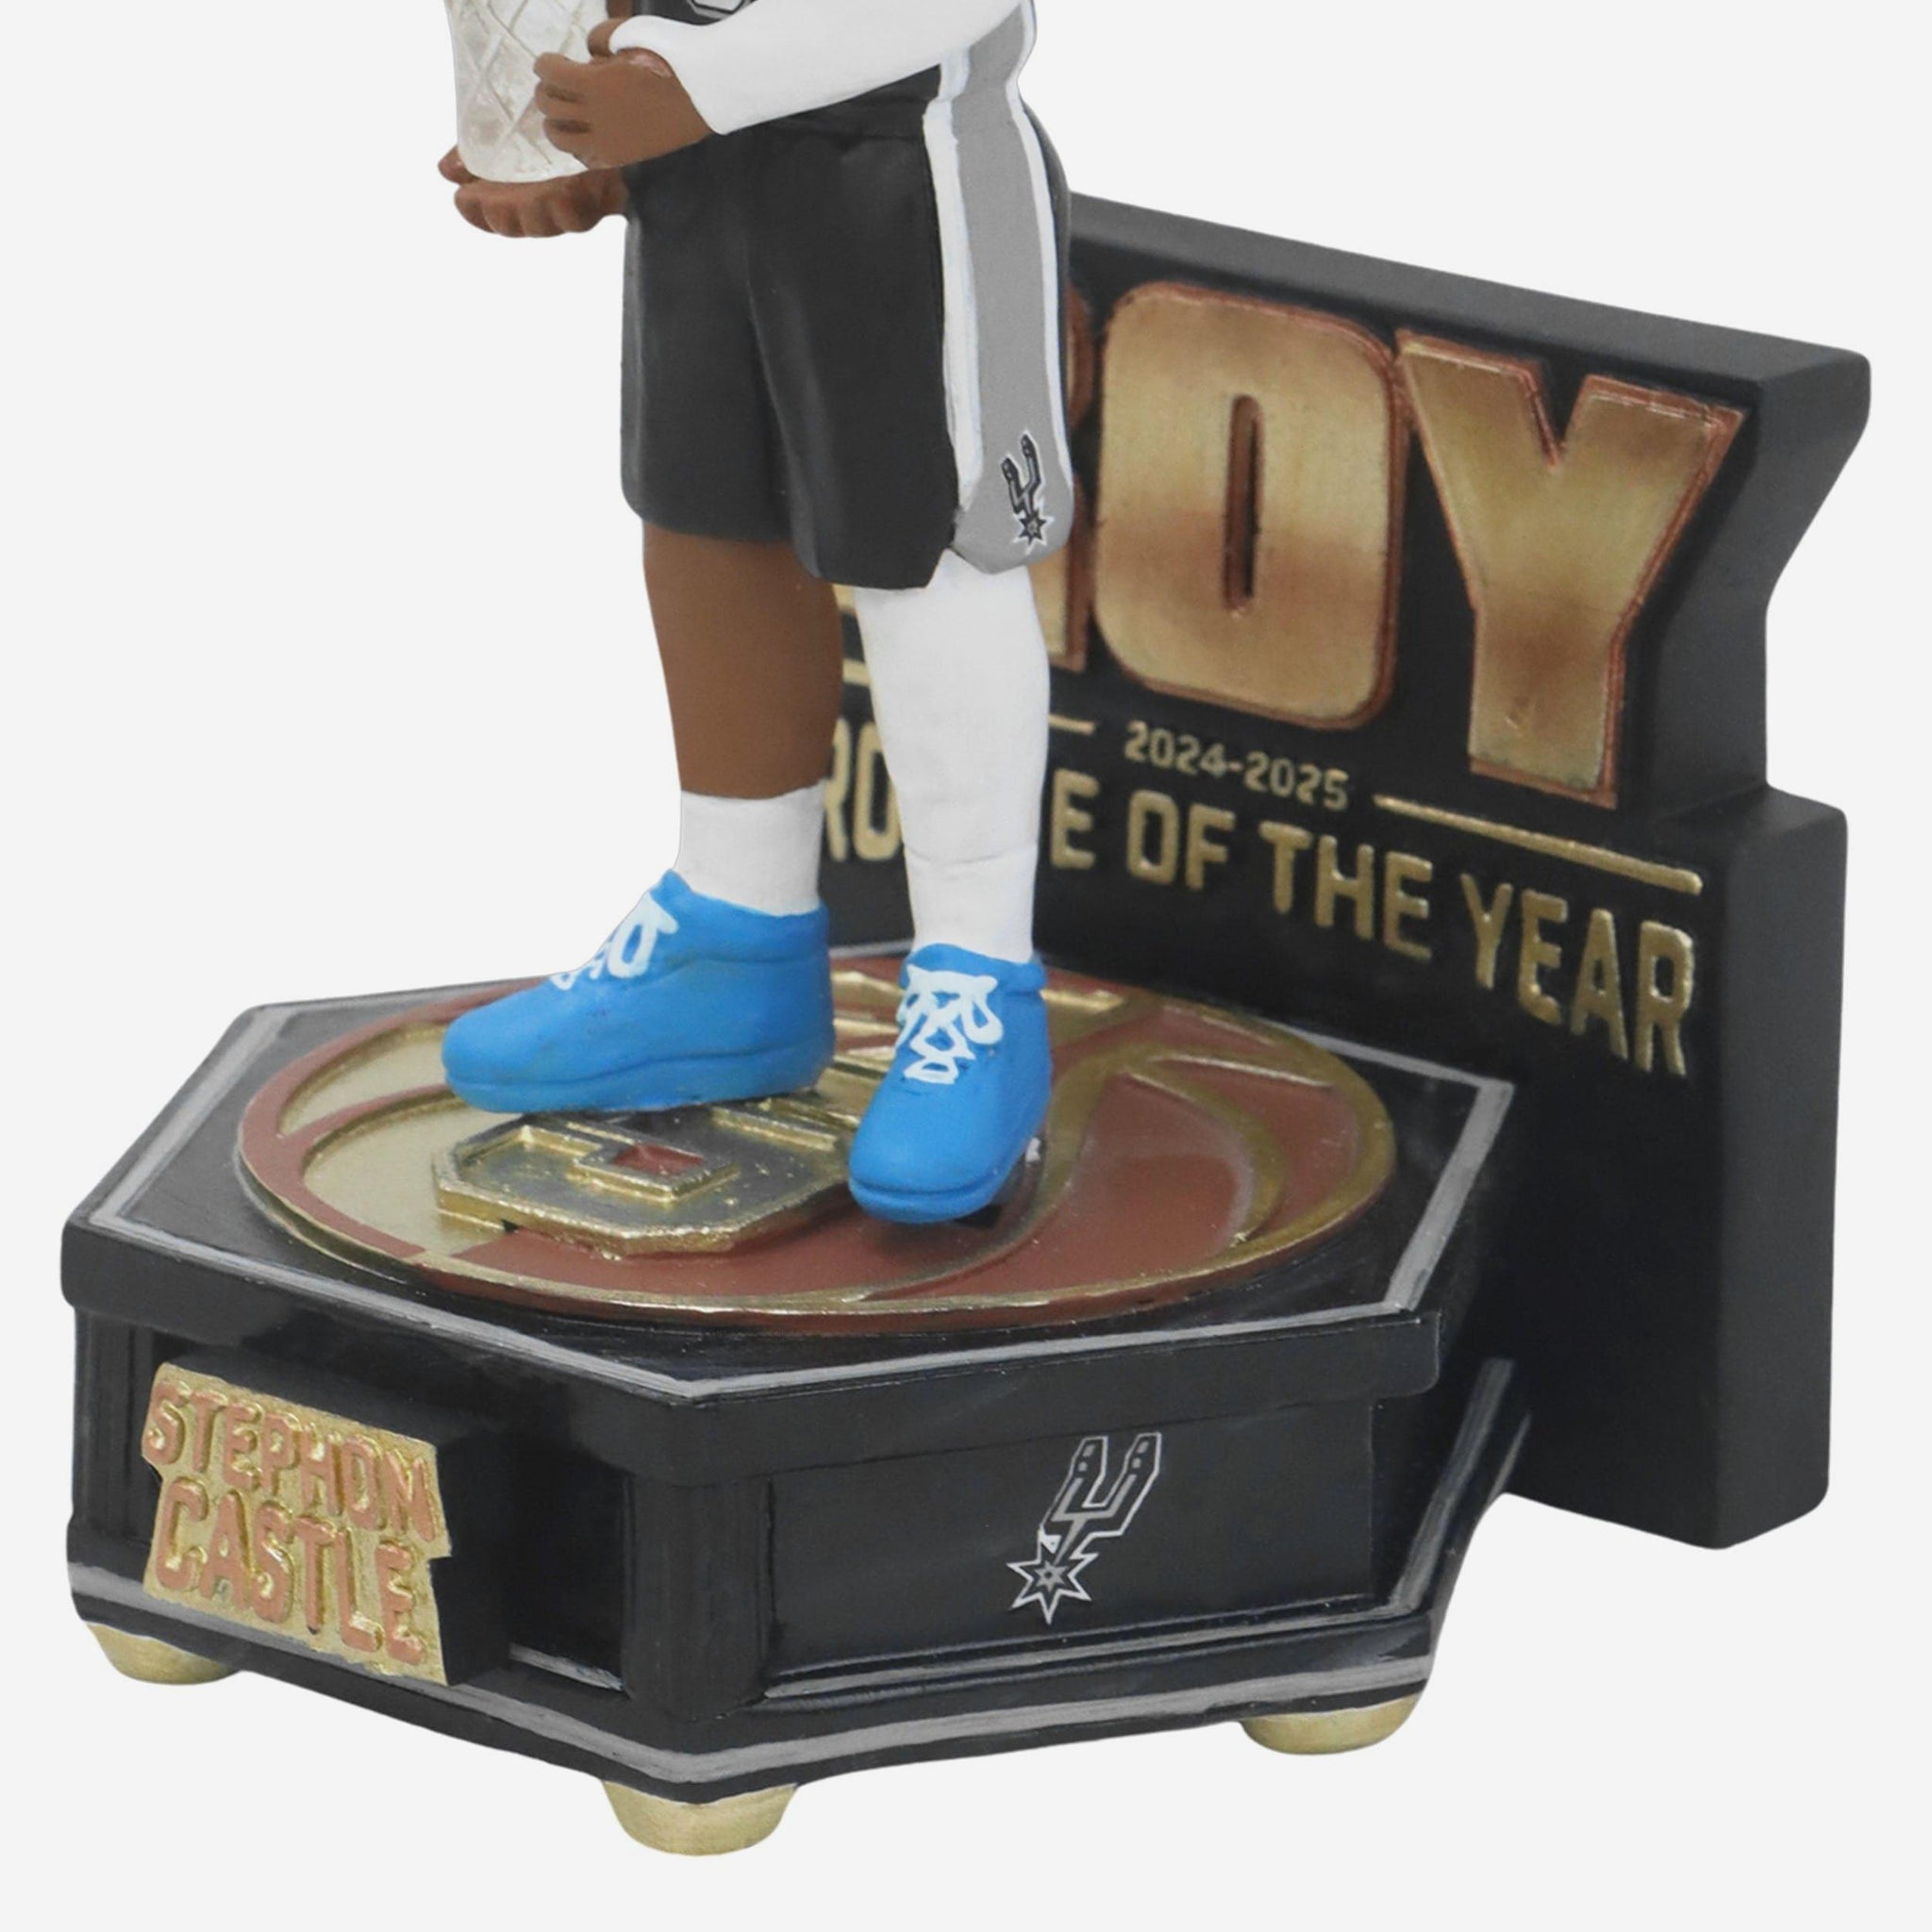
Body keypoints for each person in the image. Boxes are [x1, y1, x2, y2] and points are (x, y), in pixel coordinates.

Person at [439, 0, 1073, 1225]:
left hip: (906, 164)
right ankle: (735, 931)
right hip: (705, 168)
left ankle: (978, 979)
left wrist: (696, 85)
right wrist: (584, 124)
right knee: (705, 520)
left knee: (931, 553)